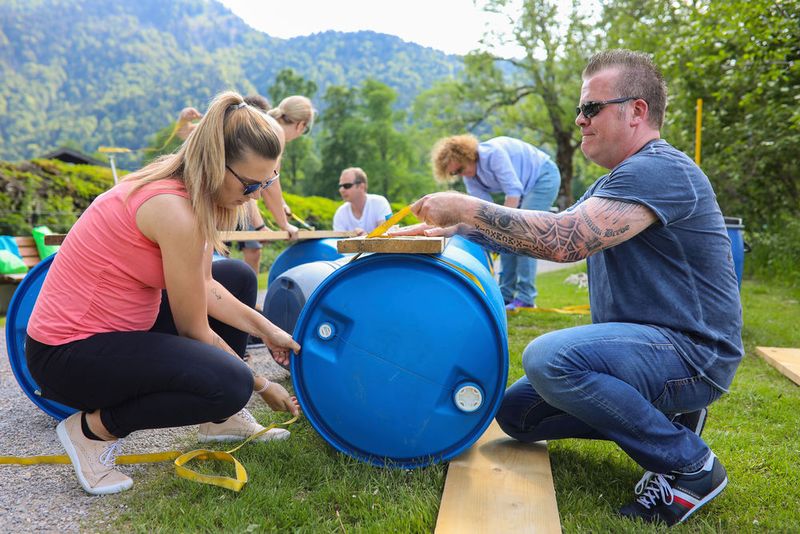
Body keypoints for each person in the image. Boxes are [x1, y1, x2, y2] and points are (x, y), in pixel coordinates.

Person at [394, 50, 743, 526]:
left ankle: (689, 465)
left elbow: (566, 241)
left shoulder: (660, 169)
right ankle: (668, 418)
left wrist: (465, 207)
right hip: (649, 349)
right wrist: (457, 231)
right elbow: (550, 227)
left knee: (550, 359)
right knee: (516, 415)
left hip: (693, 353)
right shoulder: (615, 180)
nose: (580, 120)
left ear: (637, 111)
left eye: (591, 108)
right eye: (581, 109)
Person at [26, 91, 302, 496]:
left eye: (268, 181)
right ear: (216, 164)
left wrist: (269, 330)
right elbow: (195, 331)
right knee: (230, 383)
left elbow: (206, 285)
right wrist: (259, 385)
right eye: (250, 184)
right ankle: (91, 432)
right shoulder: (174, 211)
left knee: (237, 276)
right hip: (67, 356)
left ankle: (220, 419)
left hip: (113, 336)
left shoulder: (186, 191)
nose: (257, 195)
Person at [431, 135, 561, 311]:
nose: (461, 175)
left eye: (461, 168)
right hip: (522, 189)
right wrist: (494, 237)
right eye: (455, 173)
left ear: (467, 155)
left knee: (525, 236)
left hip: (543, 178)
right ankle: (505, 295)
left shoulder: (493, 154)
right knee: (506, 239)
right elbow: (482, 213)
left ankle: (526, 298)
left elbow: (513, 192)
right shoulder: (470, 179)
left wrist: (501, 230)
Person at [333, 167, 392, 235]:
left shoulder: (380, 203)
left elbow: (387, 234)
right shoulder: (340, 213)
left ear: (361, 186)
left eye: (347, 186)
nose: (341, 190)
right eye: (340, 186)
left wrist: (365, 236)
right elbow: (338, 240)